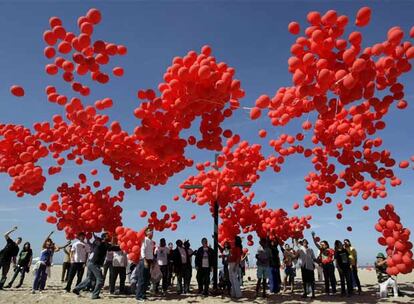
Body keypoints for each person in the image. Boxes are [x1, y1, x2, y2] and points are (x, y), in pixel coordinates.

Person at [72, 232, 120, 299]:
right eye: (107, 236)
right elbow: (114, 248)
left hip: (91, 263)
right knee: (100, 280)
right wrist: (121, 246)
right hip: (94, 264)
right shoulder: (103, 244)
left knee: (89, 279)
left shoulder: (102, 243)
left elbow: (113, 247)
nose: (109, 236)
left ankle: (76, 289)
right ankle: (95, 295)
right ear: (103, 238)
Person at [134, 227, 154, 302]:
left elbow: (150, 253)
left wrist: (152, 262)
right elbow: (142, 250)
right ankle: (138, 296)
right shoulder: (144, 240)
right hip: (143, 261)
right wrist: (145, 260)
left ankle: (143, 295)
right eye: (149, 231)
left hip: (149, 261)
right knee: (142, 279)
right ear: (146, 233)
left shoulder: (151, 241)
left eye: (151, 231)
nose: (151, 232)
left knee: (146, 280)